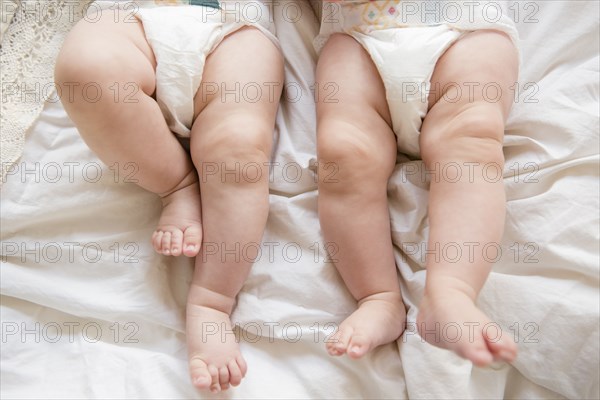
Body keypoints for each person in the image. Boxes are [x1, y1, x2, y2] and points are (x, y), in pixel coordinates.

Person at [55, 0, 284, 392]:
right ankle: (177, 185)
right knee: (86, 72)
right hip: (129, 17)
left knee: (238, 152)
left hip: (234, 28)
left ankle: (212, 302)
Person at [315, 0, 520, 366]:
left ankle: (451, 292)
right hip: (358, 36)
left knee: (471, 140)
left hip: (463, 29)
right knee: (343, 154)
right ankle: (378, 297)